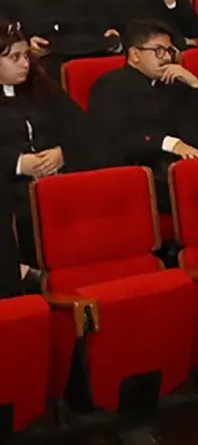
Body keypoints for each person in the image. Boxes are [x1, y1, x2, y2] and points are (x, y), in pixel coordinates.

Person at [0, 22, 99, 299]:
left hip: (61, 180)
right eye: (14, 58)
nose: (24, 64)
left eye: (26, 56)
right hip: (12, 189)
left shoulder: (43, 87)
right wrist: (18, 163)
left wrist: (63, 152)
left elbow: (84, 129)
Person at [88, 20, 198, 211]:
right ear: (135, 54)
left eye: (170, 51)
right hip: (142, 172)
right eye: (158, 51)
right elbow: (118, 138)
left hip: (187, 165)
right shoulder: (111, 85)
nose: (167, 58)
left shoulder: (174, 83)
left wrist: (195, 84)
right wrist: (171, 143)